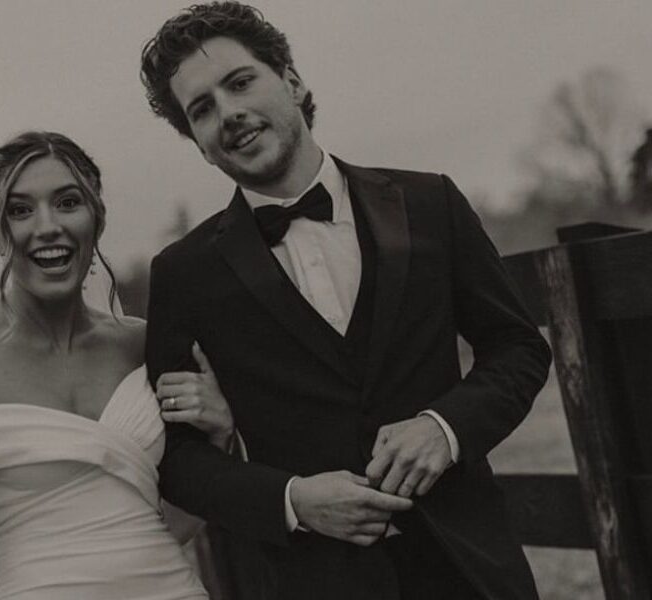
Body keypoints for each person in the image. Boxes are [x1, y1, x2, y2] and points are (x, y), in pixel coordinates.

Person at [141, 3, 552, 599]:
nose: (228, 113)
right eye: (201, 109)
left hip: (472, 570)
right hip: (310, 580)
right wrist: (291, 500)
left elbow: (517, 348)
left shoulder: (429, 202)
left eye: (240, 82)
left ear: (292, 80)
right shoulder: (183, 273)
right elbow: (176, 460)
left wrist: (445, 427)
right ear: (199, 145)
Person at [0, 131, 234, 600]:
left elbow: (171, 524)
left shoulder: (145, 345)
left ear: (97, 218)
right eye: (20, 210)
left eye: (68, 202)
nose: (47, 225)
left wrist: (218, 438)